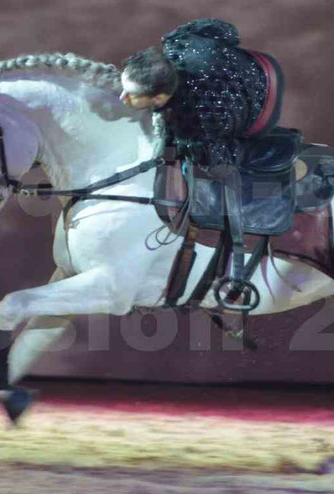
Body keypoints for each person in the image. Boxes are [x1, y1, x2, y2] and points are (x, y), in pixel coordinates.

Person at [120, 19, 292, 304]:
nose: (121, 96)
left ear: (161, 97)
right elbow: (220, 28)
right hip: (240, 69)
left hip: (258, 96)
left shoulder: (204, 115)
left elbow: (219, 159)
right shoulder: (176, 43)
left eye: (132, 95)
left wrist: (182, 139)